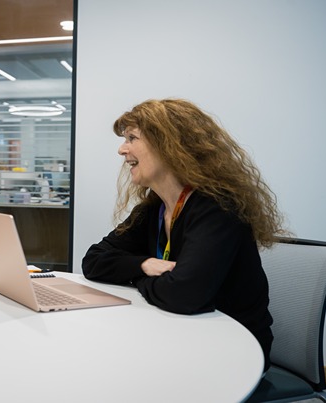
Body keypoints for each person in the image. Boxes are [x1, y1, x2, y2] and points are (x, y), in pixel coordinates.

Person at [82, 99, 284, 372]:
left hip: (233, 348)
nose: (122, 149)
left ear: (169, 145)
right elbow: (93, 261)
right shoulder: (155, 207)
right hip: (181, 332)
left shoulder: (218, 206)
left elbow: (183, 294)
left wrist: (135, 275)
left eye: (132, 138)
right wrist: (144, 265)